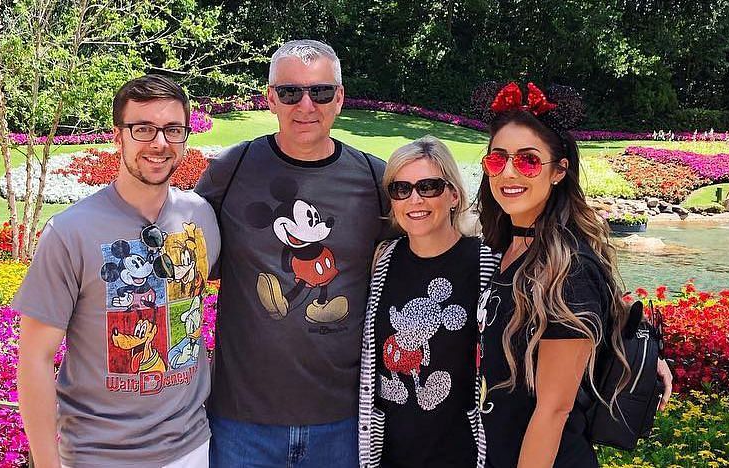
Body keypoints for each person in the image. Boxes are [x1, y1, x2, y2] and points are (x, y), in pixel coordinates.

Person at [194, 39, 388, 467]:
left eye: (319, 91)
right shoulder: (234, 168)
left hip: (342, 421)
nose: (306, 105)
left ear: (339, 97)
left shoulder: (376, 179)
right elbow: (184, 250)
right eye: (289, 92)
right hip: (242, 421)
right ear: (270, 99)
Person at [15, 74, 220, 468]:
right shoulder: (70, 232)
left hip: (194, 448)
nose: (159, 143)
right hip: (100, 455)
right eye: (143, 129)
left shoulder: (200, 216)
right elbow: (35, 359)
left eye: (172, 130)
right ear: (118, 136)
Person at [473, 82, 672, 467]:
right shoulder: (507, 250)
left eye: (529, 160)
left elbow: (553, 411)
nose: (509, 172)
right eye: (498, 159)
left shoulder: (570, 271)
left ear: (559, 171)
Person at [358, 136, 491, 468]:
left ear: (454, 195)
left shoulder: (486, 263)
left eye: (428, 186)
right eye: (401, 189)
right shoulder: (383, 260)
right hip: (388, 455)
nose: (414, 199)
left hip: (459, 453)